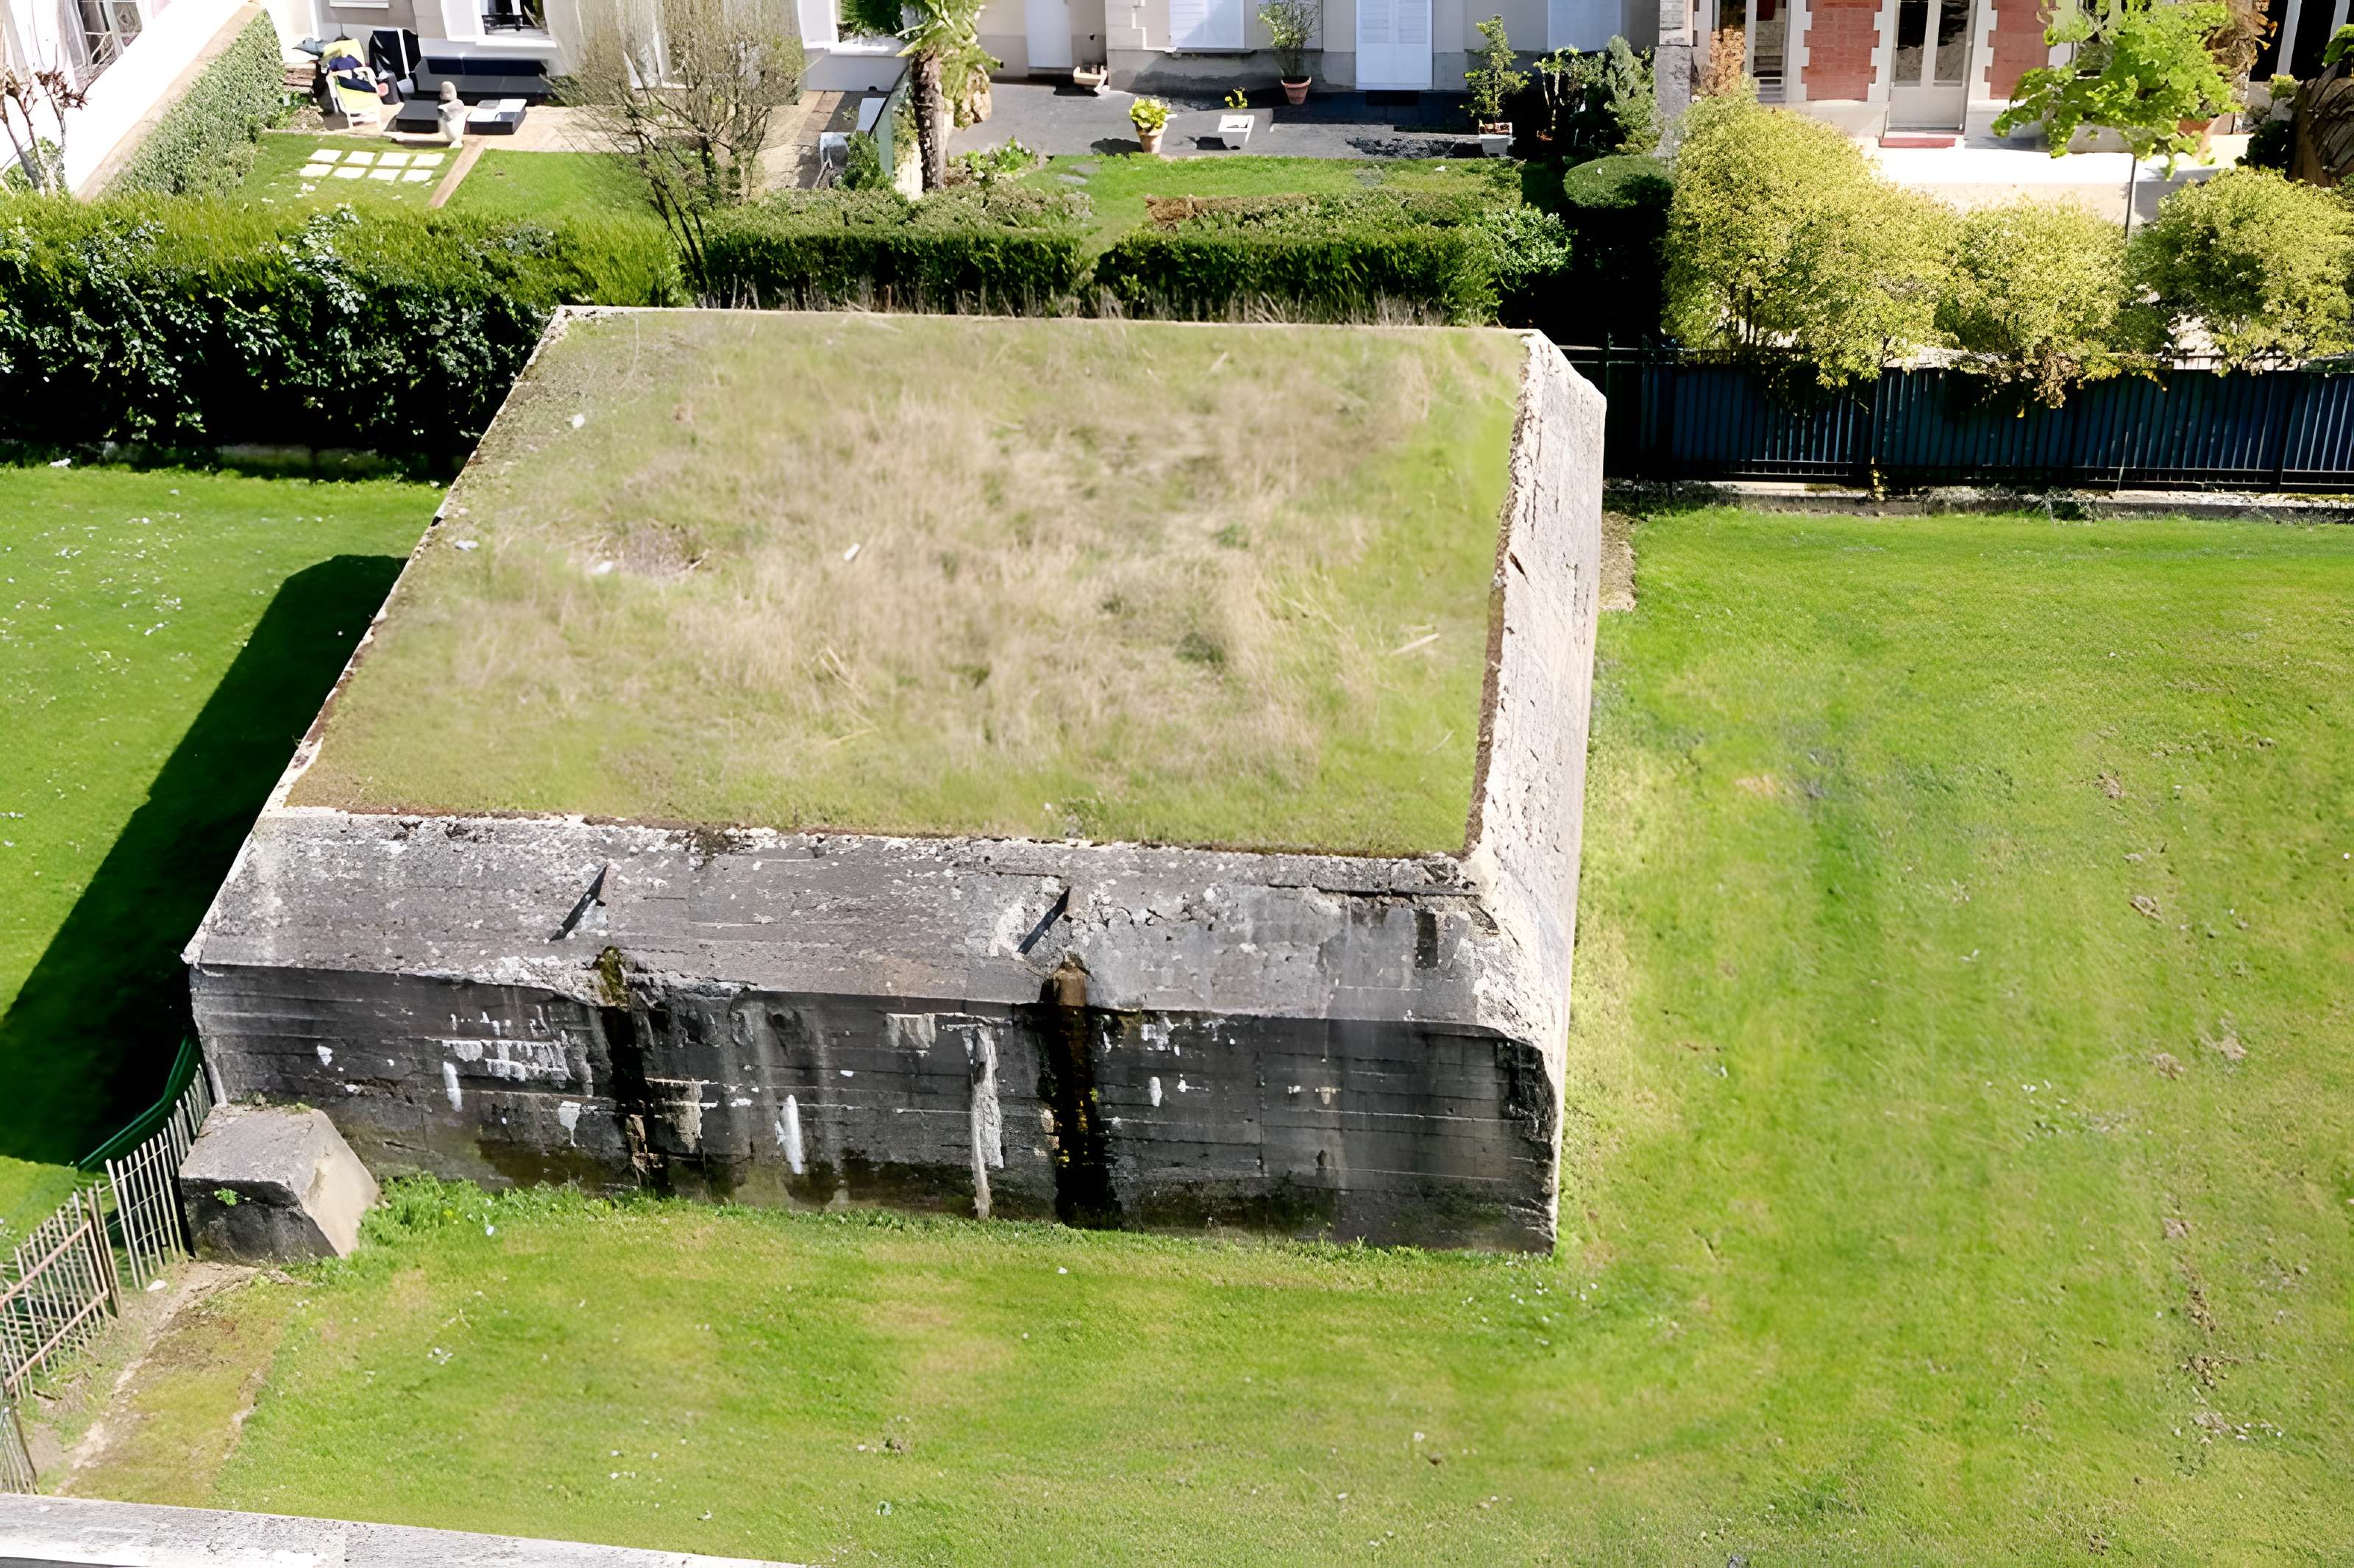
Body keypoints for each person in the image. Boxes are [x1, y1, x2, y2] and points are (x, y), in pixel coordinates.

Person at [435, 80, 467, 149]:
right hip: (449, 122)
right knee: (442, 121)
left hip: (455, 125)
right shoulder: (443, 103)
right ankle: (454, 140)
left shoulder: (458, 103)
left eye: (446, 92)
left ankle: (457, 140)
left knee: (452, 126)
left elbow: (448, 108)